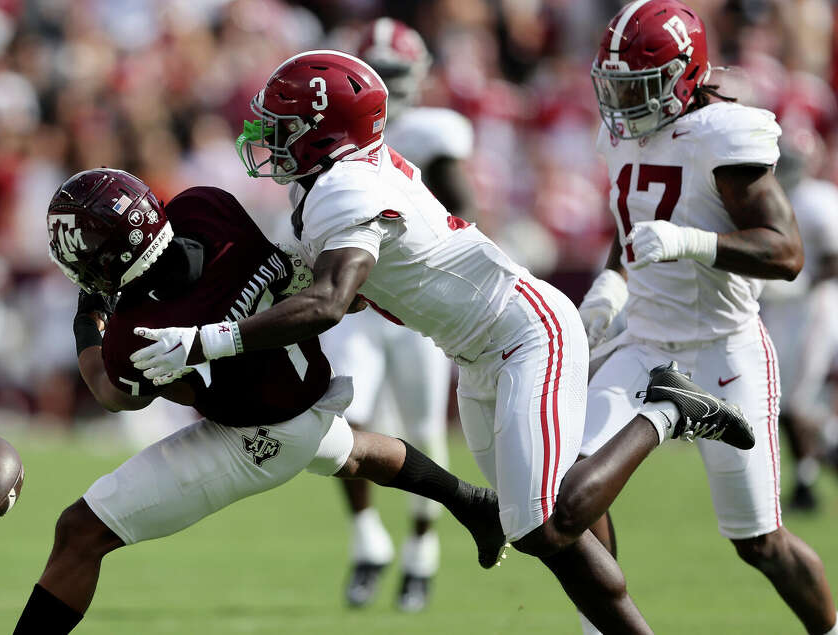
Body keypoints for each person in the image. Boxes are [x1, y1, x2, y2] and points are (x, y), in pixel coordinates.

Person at [129, 49, 757, 633]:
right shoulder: (324, 185)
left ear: (324, 132)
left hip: (525, 333)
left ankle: (668, 410)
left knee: (542, 522)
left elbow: (327, 302)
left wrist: (205, 342)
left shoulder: (346, 187)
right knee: (547, 532)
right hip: (479, 351)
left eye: (281, 125)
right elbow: (276, 275)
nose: (265, 138)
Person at [13, 168, 503, 634]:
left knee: (80, 532)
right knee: (352, 450)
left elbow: (113, 394)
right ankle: (473, 502)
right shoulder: (206, 207)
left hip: (259, 434)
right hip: (303, 386)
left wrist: (87, 317)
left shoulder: (135, 333)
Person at [578, 2, 837, 634]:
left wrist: (694, 242)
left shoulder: (723, 135)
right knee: (571, 493)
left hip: (724, 352)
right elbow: (632, 230)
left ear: (685, 75)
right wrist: (608, 287)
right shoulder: (620, 134)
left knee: (759, 543)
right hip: (644, 345)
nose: (622, 102)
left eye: (638, 86)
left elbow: (787, 253)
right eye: (614, 85)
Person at [324, 17, 479, 612]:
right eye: (377, 74)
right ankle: (368, 540)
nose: (387, 85)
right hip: (359, 306)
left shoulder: (435, 132)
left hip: (414, 306)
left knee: (424, 432)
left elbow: (464, 210)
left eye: (395, 74)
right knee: (347, 418)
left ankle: (422, 548)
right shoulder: (333, 139)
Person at [759, 128, 838, 512]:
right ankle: (811, 471)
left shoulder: (818, 200)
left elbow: (834, 259)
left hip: (813, 306)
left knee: (799, 399)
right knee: (784, 400)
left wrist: (802, 284)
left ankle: (810, 477)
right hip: (784, 308)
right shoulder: (778, 196)